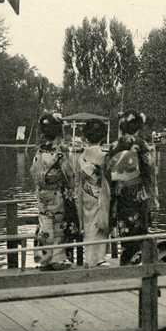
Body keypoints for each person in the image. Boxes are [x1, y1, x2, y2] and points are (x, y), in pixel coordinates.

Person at [106, 110, 158, 264]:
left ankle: (126, 259)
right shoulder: (141, 144)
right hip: (137, 193)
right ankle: (135, 261)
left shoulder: (114, 145)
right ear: (138, 126)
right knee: (140, 229)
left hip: (120, 193)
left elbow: (108, 172)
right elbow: (149, 171)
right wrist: (153, 196)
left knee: (125, 228)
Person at [30, 113, 79, 270]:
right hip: (57, 193)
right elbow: (69, 175)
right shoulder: (61, 152)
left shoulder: (39, 151)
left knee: (45, 225)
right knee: (59, 226)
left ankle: (44, 259)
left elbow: (33, 172)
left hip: (42, 194)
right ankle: (58, 259)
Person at [76, 119, 111, 267]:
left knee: (88, 224)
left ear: (86, 136)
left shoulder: (82, 155)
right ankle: (98, 258)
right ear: (103, 136)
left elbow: (77, 177)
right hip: (100, 192)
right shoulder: (104, 155)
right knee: (100, 223)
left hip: (85, 191)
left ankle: (89, 257)